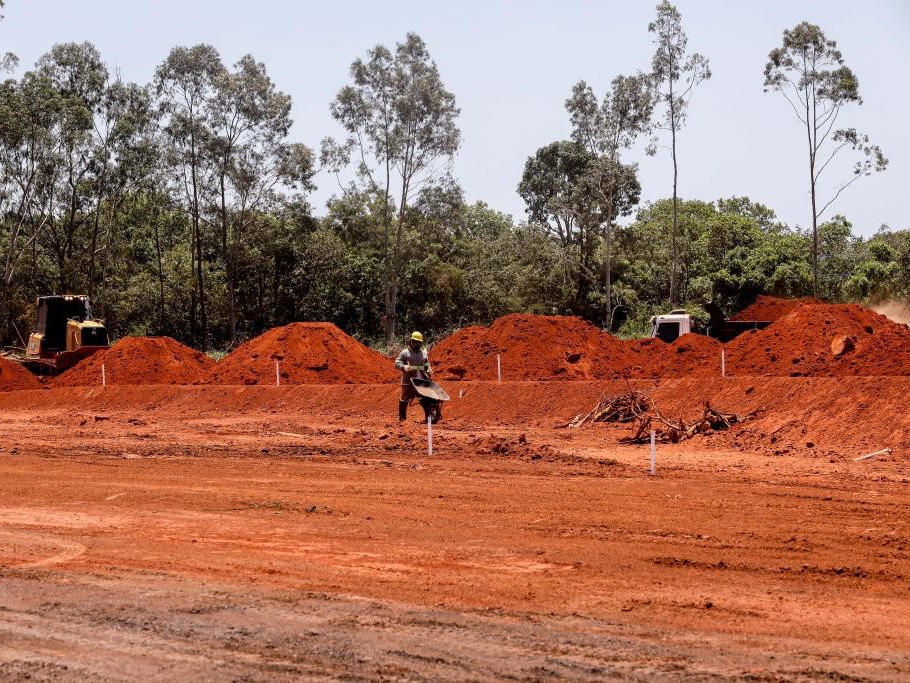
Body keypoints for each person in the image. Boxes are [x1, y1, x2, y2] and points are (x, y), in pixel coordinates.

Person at [394, 331, 438, 422]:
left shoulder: (423, 353)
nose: (417, 344)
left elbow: (426, 363)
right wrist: (404, 367)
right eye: (415, 342)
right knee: (405, 397)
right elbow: (397, 363)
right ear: (411, 341)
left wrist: (429, 369)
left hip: (421, 379)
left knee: (424, 397)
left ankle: (429, 418)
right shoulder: (405, 353)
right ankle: (402, 418)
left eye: (419, 342)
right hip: (408, 380)